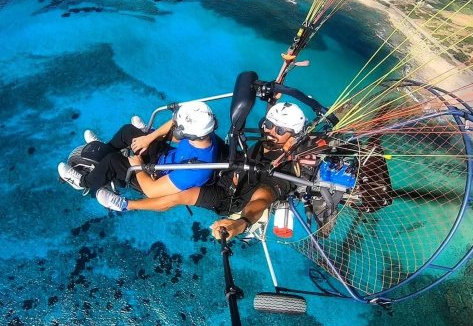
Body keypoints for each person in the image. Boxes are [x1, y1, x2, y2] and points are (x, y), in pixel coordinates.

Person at [96, 102, 307, 240]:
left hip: (229, 195)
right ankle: (111, 148)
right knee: (194, 131)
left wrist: (239, 224)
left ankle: (125, 205)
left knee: (181, 196)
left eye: (279, 130)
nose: (270, 131)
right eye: (268, 124)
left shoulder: (284, 174)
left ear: (294, 134)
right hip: (231, 163)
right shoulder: (272, 140)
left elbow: (260, 201)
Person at [58, 101, 219, 198]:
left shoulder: (196, 171)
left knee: (112, 161)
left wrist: (140, 167)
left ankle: (83, 182)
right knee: (128, 131)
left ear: (184, 133)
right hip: (164, 156)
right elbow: (173, 126)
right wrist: (148, 138)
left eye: (177, 127)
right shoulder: (205, 136)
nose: (174, 126)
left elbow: (152, 191)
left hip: (154, 176)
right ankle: (105, 149)